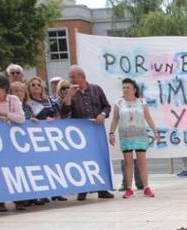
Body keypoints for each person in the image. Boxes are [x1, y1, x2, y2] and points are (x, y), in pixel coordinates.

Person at [60, 65, 115, 200]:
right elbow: (63, 113)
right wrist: (68, 97)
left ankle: (102, 189)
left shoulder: (96, 89)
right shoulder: (71, 92)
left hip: (96, 130)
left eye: (73, 77)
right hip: (80, 132)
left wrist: (102, 114)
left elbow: (107, 106)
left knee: (99, 158)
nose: (71, 80)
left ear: (81, 77)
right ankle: (83, 189)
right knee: (81, 160)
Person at [0, 74, 27, 212]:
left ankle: (18, 198)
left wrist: (5, 114)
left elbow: (21, 118)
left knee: (14, 169)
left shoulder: (13, 99)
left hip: (11, 141)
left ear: (4, 88)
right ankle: (0, 200)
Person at [109, 78, 157, 199]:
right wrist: (111, 132)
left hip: (140, 135)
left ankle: (146, 187)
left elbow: (148, 117)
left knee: (141, 161)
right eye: (123, 87)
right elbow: (115, 119)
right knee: (128, 162)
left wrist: (155, 131)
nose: (125, 90)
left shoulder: (141, 102)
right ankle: (129, 188)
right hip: (126, 136)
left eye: (128, 87)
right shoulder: (119, 103)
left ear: (134, 89)